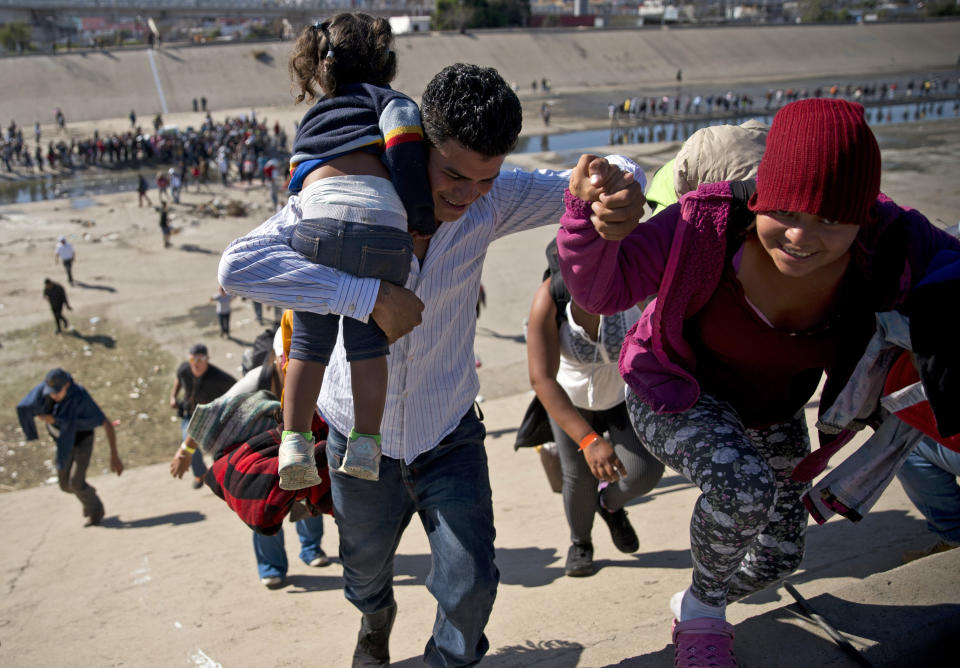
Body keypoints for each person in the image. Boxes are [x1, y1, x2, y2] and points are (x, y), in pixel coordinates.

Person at [219, 63, 646, 667]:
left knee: (471, 582)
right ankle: (376, 619)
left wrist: (619, 185)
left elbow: (610, 176)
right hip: (353, 440)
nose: (465, 194)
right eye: (451, 173)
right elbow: (237, 265)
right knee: (363, 572)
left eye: (484, 179)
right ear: (415, 144)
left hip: (450, 431)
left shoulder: (492, 202)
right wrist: (367, 299)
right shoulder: (349, 198)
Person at [556, 98, 960, 667]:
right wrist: (585, 217)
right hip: (674, 392)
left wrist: (945, 307)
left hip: (773, 409)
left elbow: (949, 260)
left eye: (830, 221)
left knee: (779, 554)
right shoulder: (704, 221)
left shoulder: (890, 236)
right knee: (743, 490)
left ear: (862, 217)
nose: (801, 236)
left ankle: (695, 597)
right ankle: (703, 623)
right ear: (760, 196)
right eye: (787, 212)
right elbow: (602, 291)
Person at [274, 12, 436, 491]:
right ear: (384, 61)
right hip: (382, 231)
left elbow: (298, 179)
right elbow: (406, 153)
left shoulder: (313, 118)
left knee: (307, 346)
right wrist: (420, 218)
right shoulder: (390, 102)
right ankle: (366, 444)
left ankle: (294, 442)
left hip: (318, 224)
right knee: (368, 349)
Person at [527, 240, 663, 577]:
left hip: (623, 392)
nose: (595, 285)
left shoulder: (635, 288)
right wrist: (588, 440)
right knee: (578, 478)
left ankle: (610, 506)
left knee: (644, 471)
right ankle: (581, 543)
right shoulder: (549, 298)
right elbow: (541, 379)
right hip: (571, 397)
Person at [169, 318, 330, 587]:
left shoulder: (316, 370)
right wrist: (185, 450)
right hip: (262, 451)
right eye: (288, 357)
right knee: (263, 502)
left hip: (302, 443)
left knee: (308, 492)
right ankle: (272, 567)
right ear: (278, 358)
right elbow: (215, 411)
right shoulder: (259, 377)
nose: (294, 363)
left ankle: (311, 549)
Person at [16, 368, 123, 526]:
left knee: (76, 482)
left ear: (67, 385)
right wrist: (31, 432)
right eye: (51, 392)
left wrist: (114, 456)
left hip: (82, 439)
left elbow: (106, 423)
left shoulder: (80, 397)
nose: (53, 396)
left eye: (57, 392)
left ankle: (96, 510)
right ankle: (88, 494)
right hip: (63, 441)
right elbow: (23, 407)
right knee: (65, 485)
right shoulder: (43, 393)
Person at [169, 343, 236, 488]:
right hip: (190, 415)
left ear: (207, 359)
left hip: (212, 419)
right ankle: (201, 474)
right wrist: (173, 397)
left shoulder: (220, 378)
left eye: (200, 360)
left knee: (218, 449)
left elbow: (237, 390)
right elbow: (178, 379)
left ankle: (222, 476)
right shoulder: (184, 369)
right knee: (187, 442)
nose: (196, 364)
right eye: (193, 360)